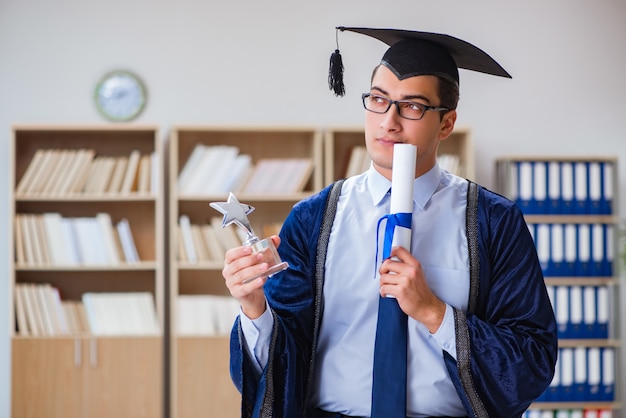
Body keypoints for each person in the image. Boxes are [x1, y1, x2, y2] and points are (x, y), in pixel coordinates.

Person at [222, 26, 558, 418]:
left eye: (412, 106)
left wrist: (435, 311)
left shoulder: (492, 222)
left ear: (446, 123)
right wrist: (254, 309)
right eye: (379, 100)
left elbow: (531, 359)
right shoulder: (314, 219)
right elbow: (280, 366)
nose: (389, 122)